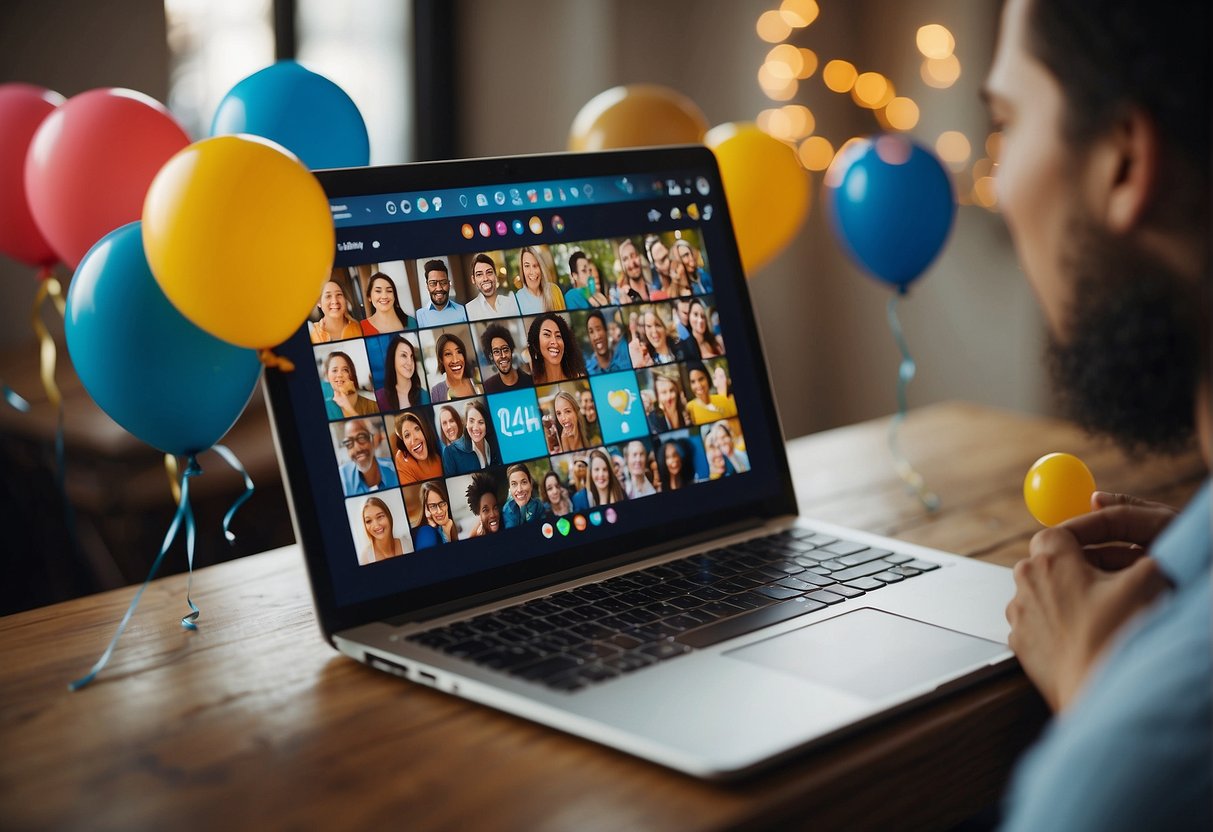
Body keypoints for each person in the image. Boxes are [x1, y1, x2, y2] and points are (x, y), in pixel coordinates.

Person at [982, 1, 1212, 829]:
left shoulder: (1126, 775)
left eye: (1004, 122)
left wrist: (1095, 691)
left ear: (1123, 159)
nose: (999, 184)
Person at [337, 418, 399, 496]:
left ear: (374, 440)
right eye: (349, 442)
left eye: (362, 438)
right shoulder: (341, 478)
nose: (357, 448)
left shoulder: (395, 470)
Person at [441, 398, 501, 474]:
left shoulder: (495, 443)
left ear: (487, 424)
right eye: (471, 421)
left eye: (481, 422)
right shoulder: (450, 452)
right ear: (466, 423)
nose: (475, 428)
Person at [528, 312, 587, 383]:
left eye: (558, 336)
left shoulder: (581, 379)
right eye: (547, 334)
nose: (555, 342)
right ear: (536, 343)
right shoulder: (532, 384)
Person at [376, 335, 429, 411]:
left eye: (411, 357)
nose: (410, 362)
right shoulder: (379, 398)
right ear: (392, 359)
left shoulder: (424, 396)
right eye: (404, 355)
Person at [356, 496, 413, 565]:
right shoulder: (365, 558)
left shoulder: (408, 543)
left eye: (380, 516)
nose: (376, 525)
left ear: (389, 517)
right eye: (368, 521)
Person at [391, 410, 443, 484]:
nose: (414, 438)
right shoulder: (401, 457)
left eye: (417, 429)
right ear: (403, 443)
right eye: (407, 435)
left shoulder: (438, 459)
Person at [464, 253, 520, 321]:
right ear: (473, 280)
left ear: (495, 275)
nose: (485, 278)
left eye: (489, 272)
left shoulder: (511, 302)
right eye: (479, 274)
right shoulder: (468, 310)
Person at [479, 323, 532, 393]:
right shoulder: (488, 387)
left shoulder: (529, 381)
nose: (503, 355)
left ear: (511, 351)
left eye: (506, 350)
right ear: (491, 356)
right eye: (496, 352)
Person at [324, 351, 378, 420]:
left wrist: (347, 406)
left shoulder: (372, 405)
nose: (340, 375)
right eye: (334, 370)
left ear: (351, 374)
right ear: (327, 375)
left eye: (345, 370)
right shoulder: (327, 407)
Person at [429, 332, 481, 402]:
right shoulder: (437, 392)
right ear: (441, 359)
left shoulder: (478, 379)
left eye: (459, 352)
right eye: (448, 354)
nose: (455, 360)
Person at [414, 260, 467, 326]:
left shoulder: (463, 311)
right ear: (427, 286)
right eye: (433, 283)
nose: (439, 288)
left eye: (443, 283)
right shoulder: (418, 316)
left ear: (449, 284)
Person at [515, 246, 565, 315]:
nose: (532, 272)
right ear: (522, 269)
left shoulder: (554, 290)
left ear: (541, 268)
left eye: (535, 265)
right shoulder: (517, 300)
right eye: (527, 266)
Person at [310, 279, 362, 344]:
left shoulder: (359, 328)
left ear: (345, 299)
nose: (335, 301)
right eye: (328, 296)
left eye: (339, 294)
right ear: (319, 302)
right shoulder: (312, 333)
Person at [584, 309, 632, 375]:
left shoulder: (625, 358)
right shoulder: (587, 371)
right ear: (589, 338)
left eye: (599, 329)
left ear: (606, 331)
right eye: (591, 332)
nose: (597, 336)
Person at [414, 480, 457, 548]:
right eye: (433, 506)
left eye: (442, 503)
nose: (439, 511)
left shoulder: (446, 526)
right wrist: (446, 534)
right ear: (426, 508)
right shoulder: (425, 532)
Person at [503, 464, 544, 528]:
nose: (519, 490)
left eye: (524, 482)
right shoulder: (507, 509)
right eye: (514, 484)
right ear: (510, 488)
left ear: (531, 484)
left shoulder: (538, 505)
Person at [465, 472, 502, 536]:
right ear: (479, 513)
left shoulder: (507, 520)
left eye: (495, 508)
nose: (492, 514)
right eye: (485, 510)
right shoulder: (475, 533)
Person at [617, 238, 650, 303]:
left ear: (640, 258)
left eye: (633, 256)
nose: (632, 264)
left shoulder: (655, 289)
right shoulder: (620, 297)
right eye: (625, 259)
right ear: (622, 266)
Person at [644, 234, 672, 298]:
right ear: (656, 267)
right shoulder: (656, 294)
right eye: (662, 261)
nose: (668, 262)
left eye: (667, 256)